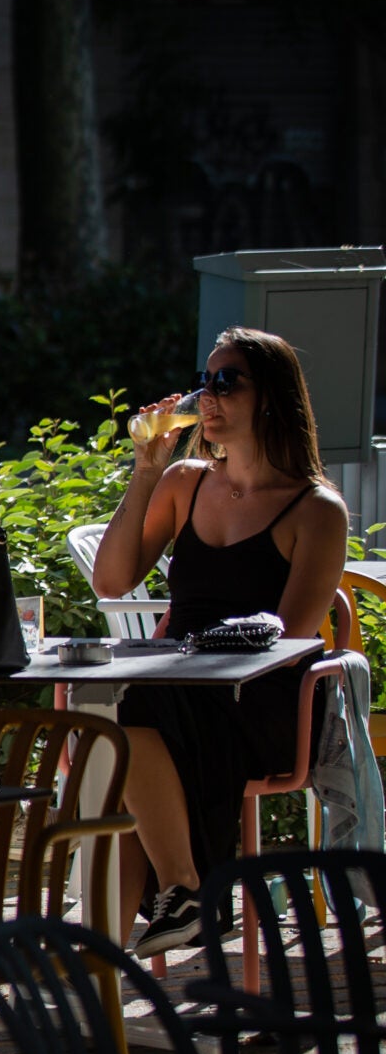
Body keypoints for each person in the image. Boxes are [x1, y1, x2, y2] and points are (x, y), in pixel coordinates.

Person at [91, 327, 347, 956]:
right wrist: (145, 474)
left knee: (132, 722)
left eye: (228, 381)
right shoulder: (185, 482)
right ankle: (173, 907)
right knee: (128, 734)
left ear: (271, 398)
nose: (209, 396)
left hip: (266, 700)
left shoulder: (316, 510)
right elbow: (112, 579)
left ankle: (169, 907)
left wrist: (195, 666)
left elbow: (291, 639)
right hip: (177, 689)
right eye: (206, 381)